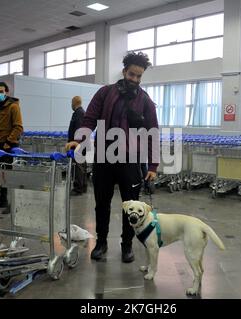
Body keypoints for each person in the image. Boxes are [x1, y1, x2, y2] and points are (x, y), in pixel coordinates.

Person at [65, 52, 159, 263]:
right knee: (102, 204)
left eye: (139, 76)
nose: (134, 79)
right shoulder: (105, 93)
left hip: (130, 161)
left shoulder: (145, 101)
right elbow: (89, 119)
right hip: (104, 159)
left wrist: (152, 165)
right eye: (132, 74)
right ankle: (101, 243)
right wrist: (78, 140)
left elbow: (153, 132)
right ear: (124, 71)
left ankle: (127, 246)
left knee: (131, 205)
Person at [0, 82, 23, 213]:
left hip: (8, 145)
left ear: (6, 92)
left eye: (1, 91)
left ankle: (13, 204)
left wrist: (9, 141)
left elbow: (18, 126)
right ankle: (3, 200)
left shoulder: (13, 106)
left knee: (9, 175)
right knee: (1, 174)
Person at [68, 96, 88, 195]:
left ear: (74, 103)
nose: (71, 104)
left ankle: (78, 188)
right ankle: (83, 186)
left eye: (71, 102)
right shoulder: (80, 112)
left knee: (78, 167)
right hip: (81, 145)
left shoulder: (79, 114)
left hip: (78, 145)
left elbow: (80, 130)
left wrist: (75, 143)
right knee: (82, 166)